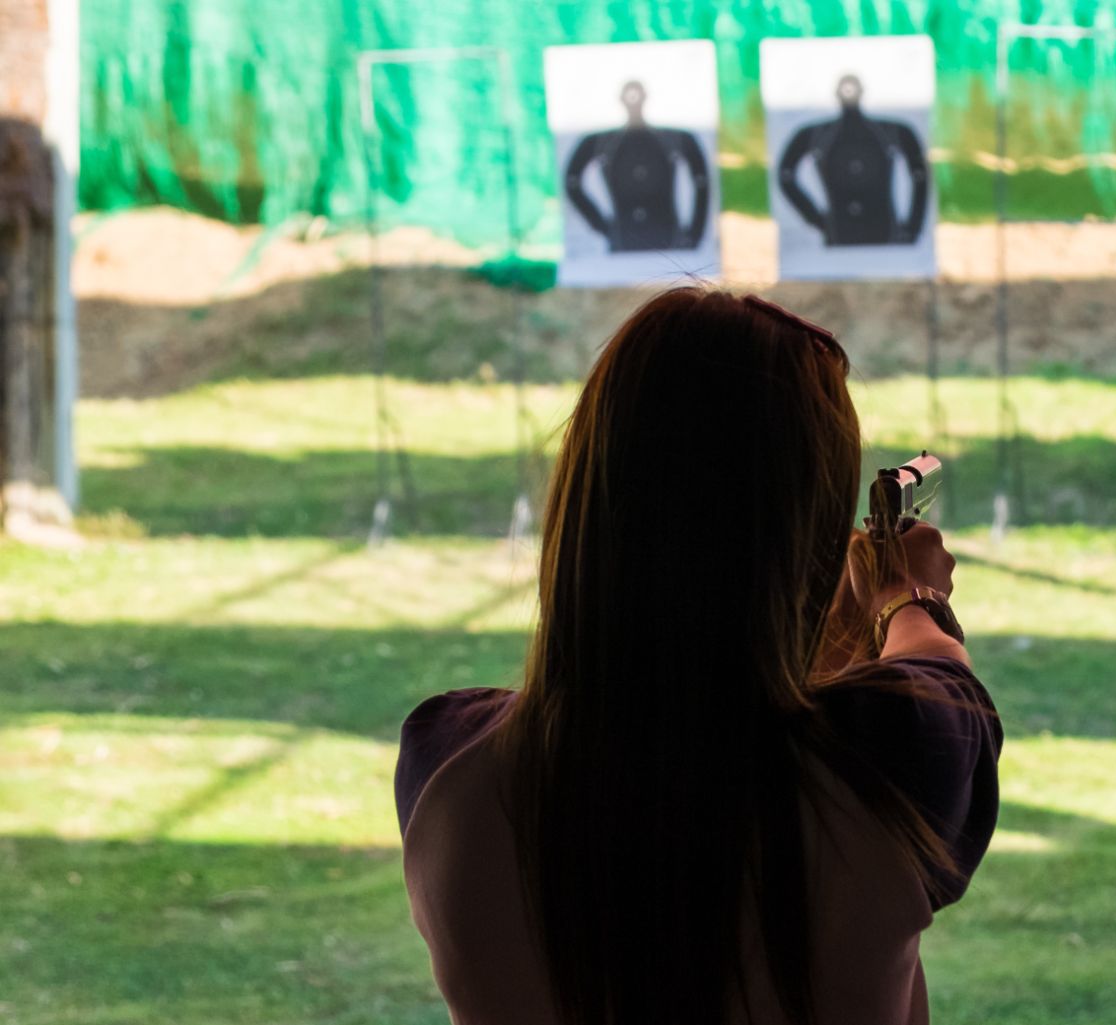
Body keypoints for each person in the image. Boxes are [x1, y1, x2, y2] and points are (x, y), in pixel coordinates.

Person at [393, 287, 1000, 1025]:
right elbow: (941, 687)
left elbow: (670, 738)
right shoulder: (893, 750)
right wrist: (906, 596)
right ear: (797, 541)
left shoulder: (443, 763)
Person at [777, 74, 930, 247]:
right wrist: (816, 219)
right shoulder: (817, 134)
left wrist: (913, 227)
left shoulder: (891, 131)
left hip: (876, 232)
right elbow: (786, 176)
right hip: (845, 234)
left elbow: (920, 175)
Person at [563, 80, 713, 253]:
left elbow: (701, 181)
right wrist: (601, 225)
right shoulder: (602, 142)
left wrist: (696, 234)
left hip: (666, 239)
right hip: (625, 241)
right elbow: (573, 182)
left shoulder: (673, 138)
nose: (633, 100)